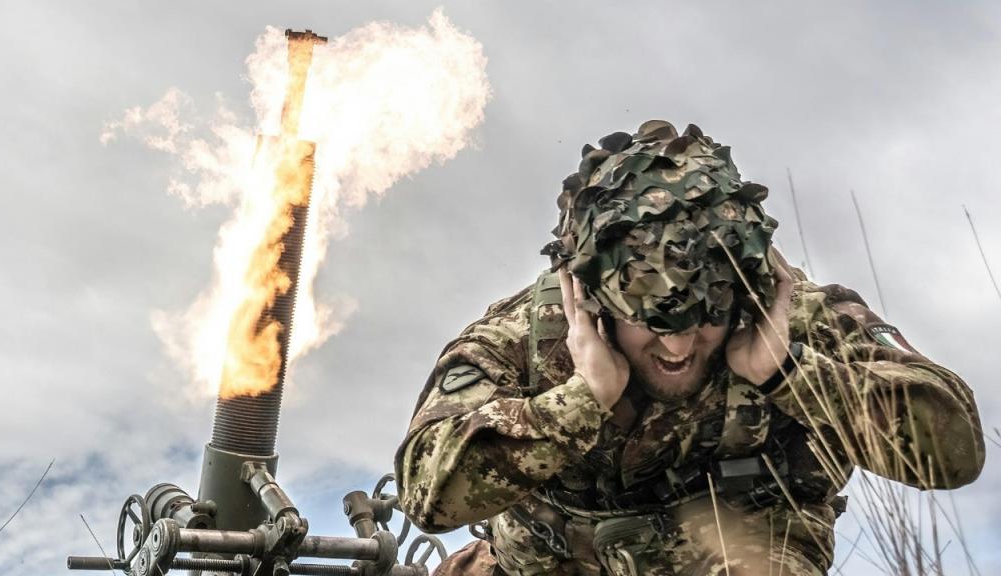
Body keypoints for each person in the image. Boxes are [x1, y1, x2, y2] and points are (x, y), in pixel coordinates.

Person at [394, 121, 985, 575]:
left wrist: (790, 373)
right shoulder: (533, 332)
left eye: (705, 318)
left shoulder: (791, 316)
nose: (678, 344)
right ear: (594, 301)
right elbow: (428, 494)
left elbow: (954, 452)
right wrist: (580, 401)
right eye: (650, 319)